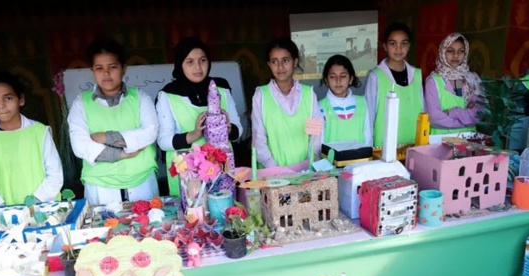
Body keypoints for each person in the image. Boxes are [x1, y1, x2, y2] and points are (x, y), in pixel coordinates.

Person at [67, 37, 159, 206]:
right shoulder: (81, 103)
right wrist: (121, 154)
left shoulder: (140, 97)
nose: (106, 73)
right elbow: (80, 145)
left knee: (149, 230)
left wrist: (104, 137)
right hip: (100, 186)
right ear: (92, 70)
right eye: (99, 68)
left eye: (113, 67)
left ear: (124, 69)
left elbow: (150, 132)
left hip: (142, 181)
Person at [156, 36, 243, 196]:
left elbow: (239, 131)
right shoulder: (168, 95)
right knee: (193, 215)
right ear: (180, 64)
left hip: (221, 169)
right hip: (188, 176)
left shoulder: (220, 89)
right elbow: (163, 141)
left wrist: (228, 129)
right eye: (190, 62)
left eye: (202, 60)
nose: (198, 67)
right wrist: (194, 134)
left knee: (223, 212)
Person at [0, 71, 63, 206]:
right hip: (2, 215)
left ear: (21, 99)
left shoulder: (39, 132)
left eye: (8, 98)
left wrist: (32, 203)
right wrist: (3, 209)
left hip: (43, 209)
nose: (1, 105)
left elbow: (55, 175)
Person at [251, 37, 323, 168]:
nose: (280, 67)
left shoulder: (308, 94)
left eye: (285, 60)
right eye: (274, 61)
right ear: (269, 64)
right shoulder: (261, 95)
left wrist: (307, 166)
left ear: (295, 62)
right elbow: (259, 139)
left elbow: (315, 137)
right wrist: (275, 170)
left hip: (305, 173)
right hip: (272, 176)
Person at [364, 22, 424, 149]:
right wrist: (368, 146)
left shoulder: (417, 74)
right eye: (393, 44)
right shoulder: (376, 76)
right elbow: (368, 115)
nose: (398, 48)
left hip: (414, 143)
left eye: (404, 43)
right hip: (383, 146)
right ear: (385, 46)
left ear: (409, 45)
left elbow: (423, 110)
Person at [424, 33, 483, 134]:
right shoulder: (433, 81)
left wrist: (453, 112)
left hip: (468, 140)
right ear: (442, 52)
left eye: (461, 51)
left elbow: (480, 113)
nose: (456, 55)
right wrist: (466, 120)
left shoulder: (472, 79)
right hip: (440, 141)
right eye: (450, 51)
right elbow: (434, 118)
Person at [319, 54, 372, 146]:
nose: (338, 81)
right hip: (330, 160)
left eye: (343, 76)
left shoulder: (362, 103)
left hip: (359, 159)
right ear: (326, 80)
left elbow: (368, 138)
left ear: (351, 78)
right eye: (332, 76)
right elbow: (319, 143)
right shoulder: (320, 107)